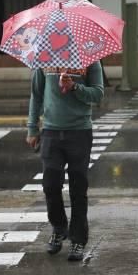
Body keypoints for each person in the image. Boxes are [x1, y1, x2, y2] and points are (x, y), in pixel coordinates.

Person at [26, 63, 104, 262]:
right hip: (51, 131)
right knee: (50, 185)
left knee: (78, 188)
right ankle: (59, 227)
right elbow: (36, 94)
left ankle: (78, 239)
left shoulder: (90, 59)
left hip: (80, 131)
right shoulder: (44, 60)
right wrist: (32, 127)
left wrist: (75, 87)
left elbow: (97, 94)